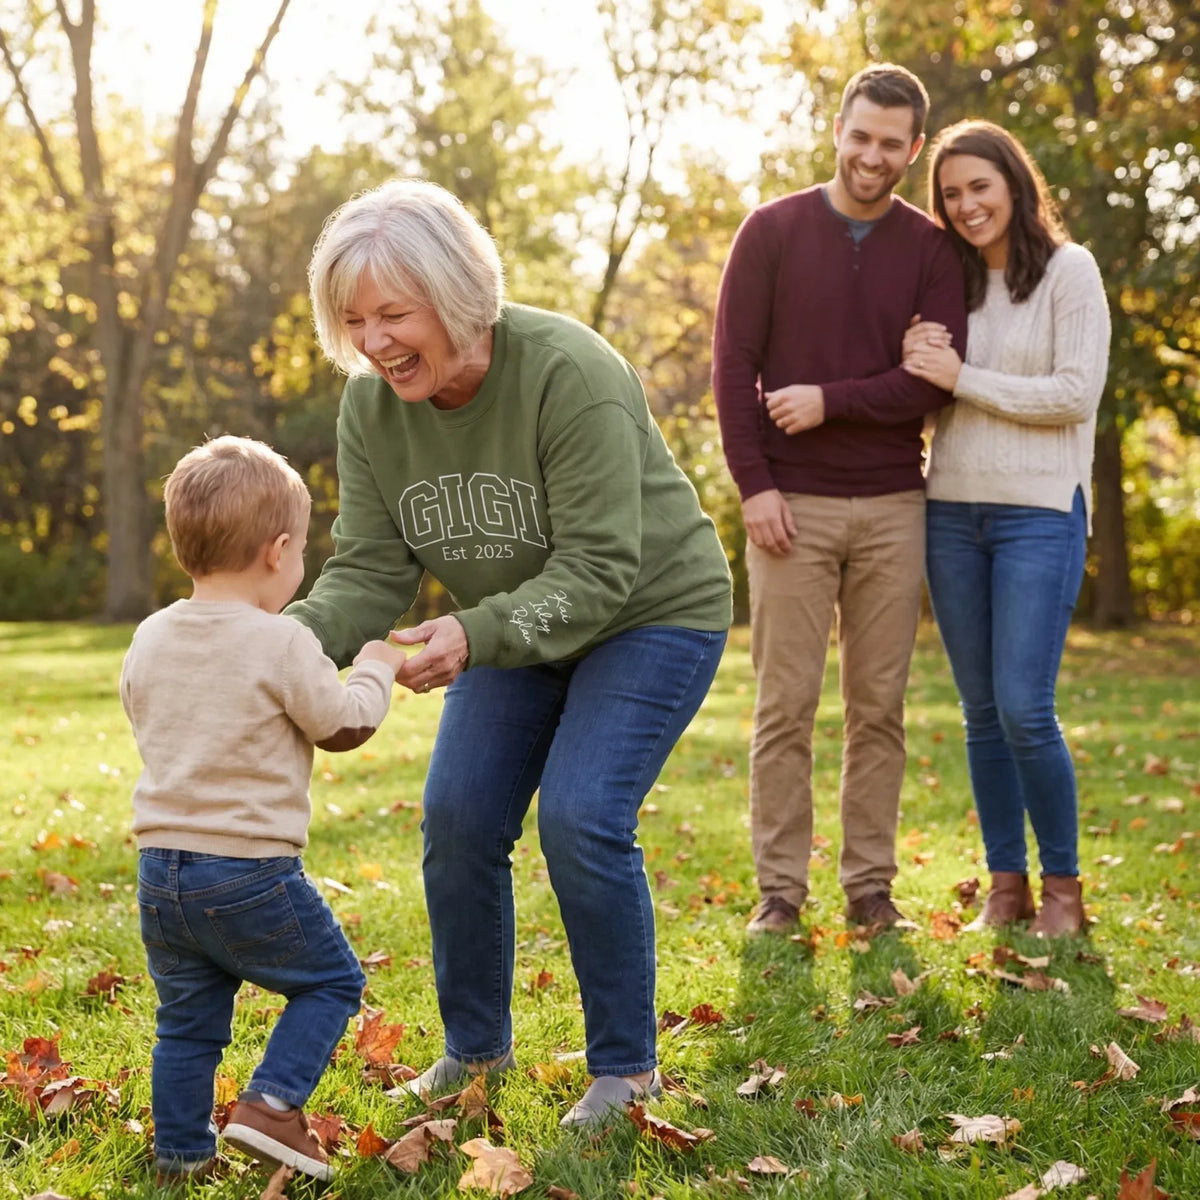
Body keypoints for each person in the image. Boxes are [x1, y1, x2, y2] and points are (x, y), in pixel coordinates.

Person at [286, 179, 732, 1128]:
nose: (373, 342)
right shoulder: (371, 409)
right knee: (457, 817)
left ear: (455, 295)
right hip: (513, 629)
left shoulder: (569, 371)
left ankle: (627, 1071)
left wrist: (472, 634)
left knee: (581, 816)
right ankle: (476, 1052)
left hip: (650, 616)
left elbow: (601, 568)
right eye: (354, 320)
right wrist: (277, 646)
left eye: (393, 314)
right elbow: (369, 569)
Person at [712, 63, 968, 936]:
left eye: (891, 144)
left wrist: (830, 399)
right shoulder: (771, 231)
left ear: (914, 149)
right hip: (790, 505)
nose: (871, 155)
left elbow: (931, 383)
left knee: (878, 710)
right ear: (837, 130)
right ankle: (780, 894)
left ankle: (870, 889)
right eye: (860, 136)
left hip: (896, 503)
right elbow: (732, 369)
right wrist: (754, 485)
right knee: (784, 708)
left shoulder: (931, 249)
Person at [121, 436, 407, 1183]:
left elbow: (144, 715)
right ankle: (272, 1105)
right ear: (278, 552)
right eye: (303, 550)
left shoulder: (150, 636)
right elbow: (341, 724)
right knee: (331, 982)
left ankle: (182, 1158)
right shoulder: (281, 640)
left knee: (187, 1025)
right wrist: (376, 668)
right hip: (248, 870)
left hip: (160, 872)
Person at [902, 120, 1111, 937]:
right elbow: (930, 394)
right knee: (981, 711)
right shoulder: (945, 282)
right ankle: (1005, 884)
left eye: (979, 187)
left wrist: (961, 376)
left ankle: (1063, 888)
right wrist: (915, 358)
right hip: (950, 510)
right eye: (951, 193)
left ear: (1015, 186)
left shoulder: (1069, 271)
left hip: (1040, 511)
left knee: (1025, 706)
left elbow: (1074, 394)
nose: (966, 205)